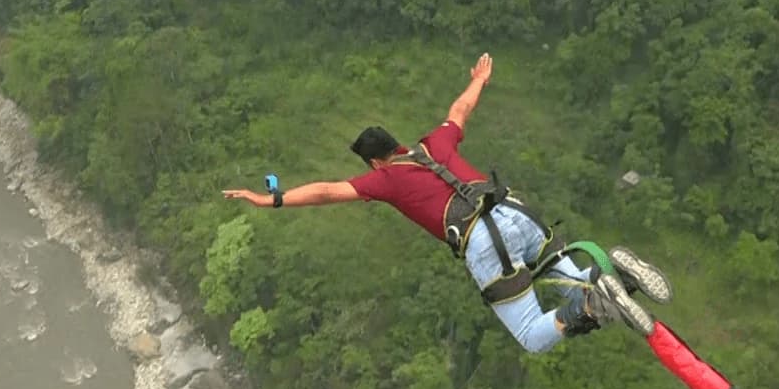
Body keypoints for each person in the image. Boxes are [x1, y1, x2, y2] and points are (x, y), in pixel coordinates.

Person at [222, 53, 672, 353]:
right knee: (557, 268)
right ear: (397, 144)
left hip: (481, 242)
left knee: (533, 335)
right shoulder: (433, 143)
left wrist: (272, 199)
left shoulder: (386, 180)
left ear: (376, 161)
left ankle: (595, 305)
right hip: (514, 212)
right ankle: (614, 277)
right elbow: (460, 111)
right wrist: (478, 80)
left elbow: (326, 191)